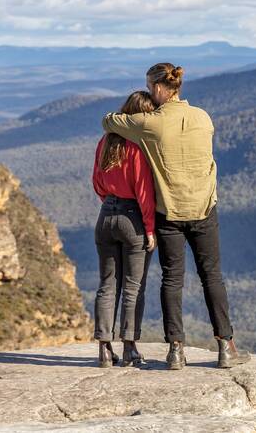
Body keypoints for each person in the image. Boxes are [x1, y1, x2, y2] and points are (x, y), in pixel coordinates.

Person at [102, 63, 250, 370]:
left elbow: (109, 121)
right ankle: (225, 346)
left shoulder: (150, 124)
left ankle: (176, 350)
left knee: (172, 280)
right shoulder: (203, 117)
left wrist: (133, 117)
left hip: (168, 212)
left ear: (157, 88)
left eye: (149, 87)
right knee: (212, 276)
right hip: (204, 208)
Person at [92, 91, 158, 368]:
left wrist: (110, 202)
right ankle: (130, 348)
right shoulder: (138, 146)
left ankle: (104, 350)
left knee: (108, 284)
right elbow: (144, 191)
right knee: (133, 286)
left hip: (106, 215)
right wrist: (150, 229)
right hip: (133, 219)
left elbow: (96, 181)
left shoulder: (105, 142)